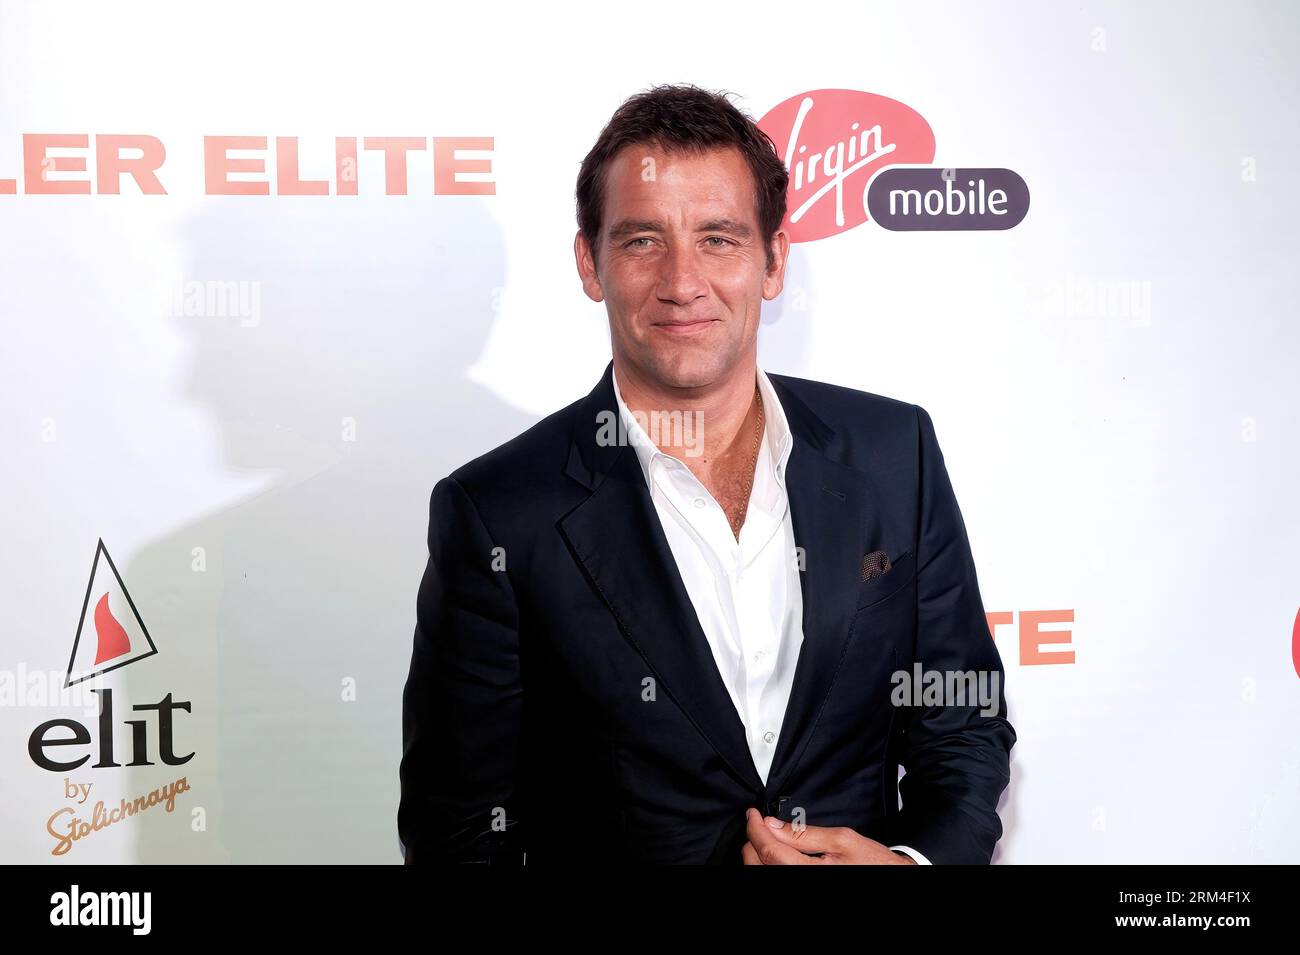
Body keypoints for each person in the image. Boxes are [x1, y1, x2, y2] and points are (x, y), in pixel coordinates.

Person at [398, 83, 1015, 864]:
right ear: (590, 262)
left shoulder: (896, 452)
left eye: (718, 238)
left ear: (773, 259)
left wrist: (908, 863)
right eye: (642, 240)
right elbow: (458, 833)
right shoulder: (498, 513)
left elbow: (961, 722)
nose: (682, 282)